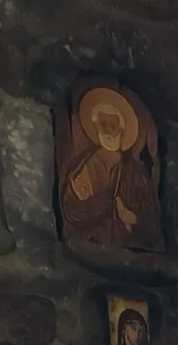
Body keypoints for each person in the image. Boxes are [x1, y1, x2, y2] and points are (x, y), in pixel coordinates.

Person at [61, 90, 160, 250]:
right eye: (103, 125)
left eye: (112, 126)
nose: (107, 131)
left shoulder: (135, 173)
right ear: (95, 126)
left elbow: (153, 228)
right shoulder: (82, 166)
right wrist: (102, 203)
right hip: (88, 247)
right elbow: (70, 210)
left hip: (128, 254)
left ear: (121, 130)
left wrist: (134, 219)